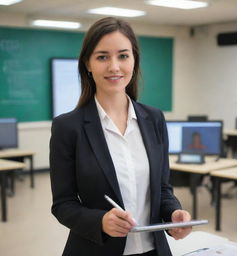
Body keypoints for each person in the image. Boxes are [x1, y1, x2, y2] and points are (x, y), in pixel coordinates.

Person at [50, 17, 192, 256]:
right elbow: (63, 204)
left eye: (123, 56)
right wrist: (100, 221)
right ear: (88, 63)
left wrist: (173, 214)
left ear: (134, 61)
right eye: (102, 57)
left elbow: (163, 188)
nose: (114, 67)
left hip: (154, 250)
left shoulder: (154, 119)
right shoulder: (68, 127)